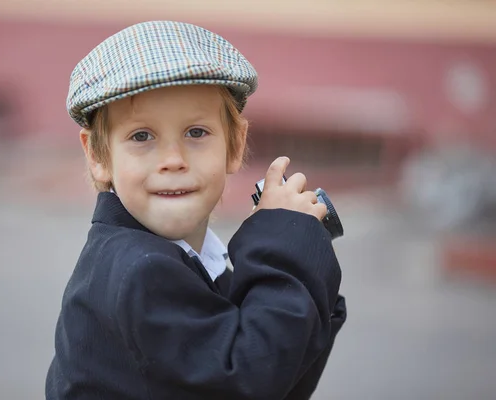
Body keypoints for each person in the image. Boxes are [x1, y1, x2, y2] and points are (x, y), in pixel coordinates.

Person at [46, 20, 346, 400]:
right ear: (97, 154)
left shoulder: (183, 257)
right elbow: (250, 379)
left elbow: (281, 375)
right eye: (142, 136)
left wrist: (289, 250)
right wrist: (284, 241)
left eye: (196, 133)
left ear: (235, 144)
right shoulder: (141, 272)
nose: (173, 160)